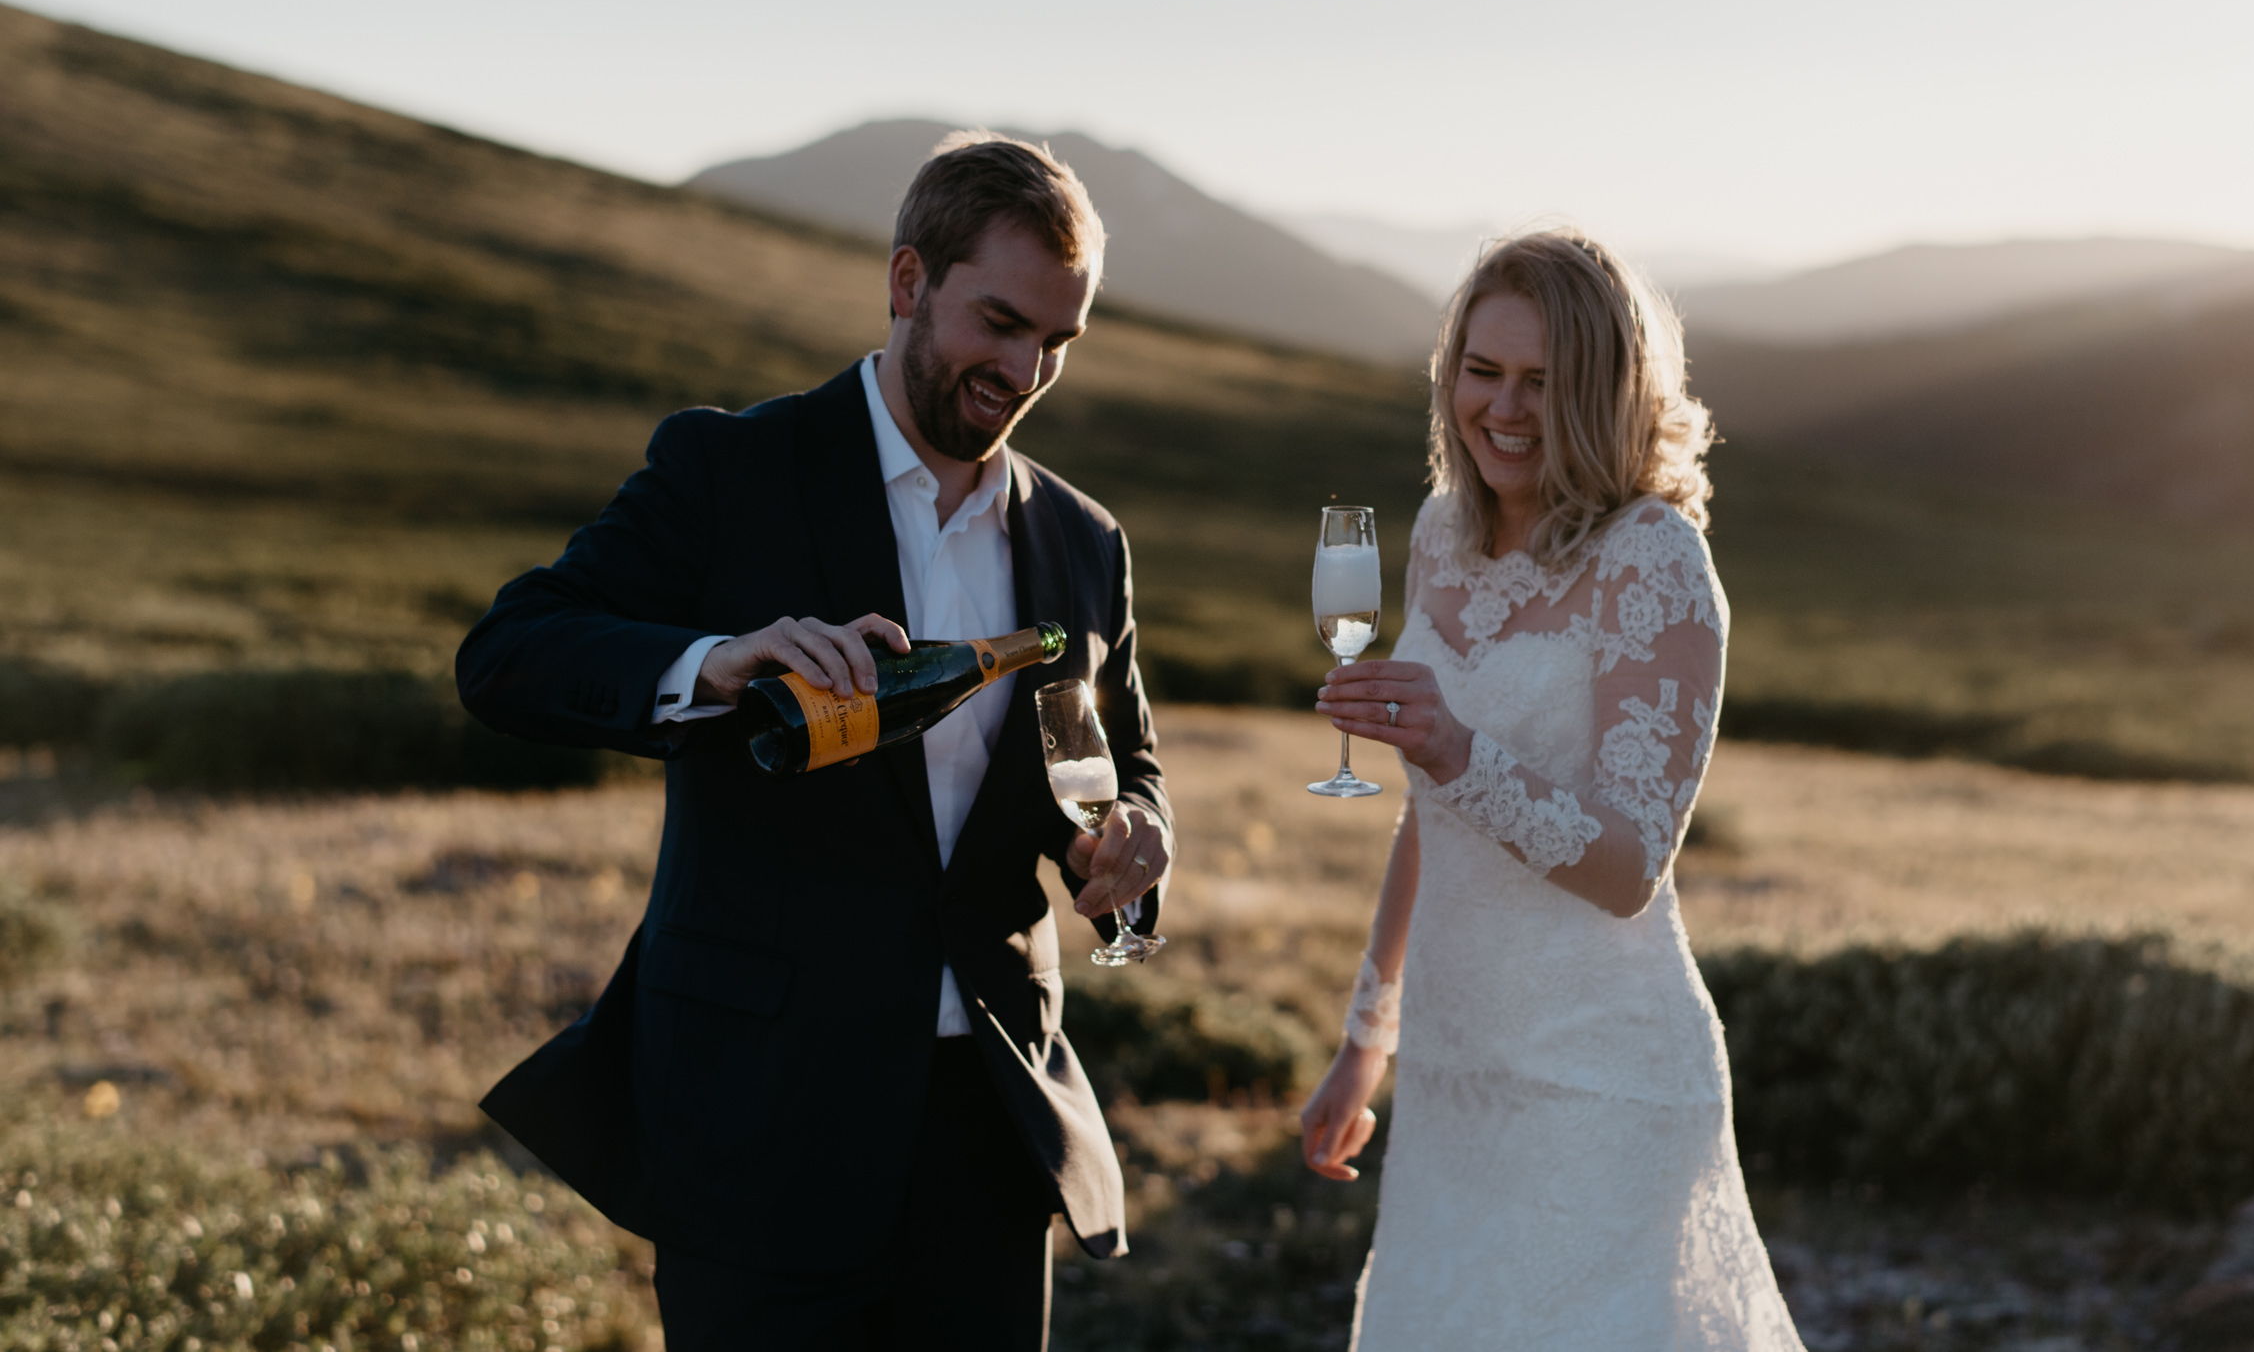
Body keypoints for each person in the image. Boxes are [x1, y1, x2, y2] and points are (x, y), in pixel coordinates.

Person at [456, 132, 1175, 1351]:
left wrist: (1139, 842)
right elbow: (511, 653)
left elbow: (1122, 755)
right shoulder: (732, 468)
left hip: (990, 1127)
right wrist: (710, 662)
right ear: (907, 281)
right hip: (764, 1115)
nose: (1023, 368)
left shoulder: (1081, 538)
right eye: (998, 322)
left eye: (1055, 342)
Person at [1298, 228, 1803, 1349]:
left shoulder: (1652, 558)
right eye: (1482, 371)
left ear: (1607, 391)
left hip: (1598, 1087)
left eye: (1544, 380)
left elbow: (1628, 865)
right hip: (1453, 1077)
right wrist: (1364, 1038)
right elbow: (1431, 828)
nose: (1505, 408)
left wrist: (1453, 747)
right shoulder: (1442, 533)